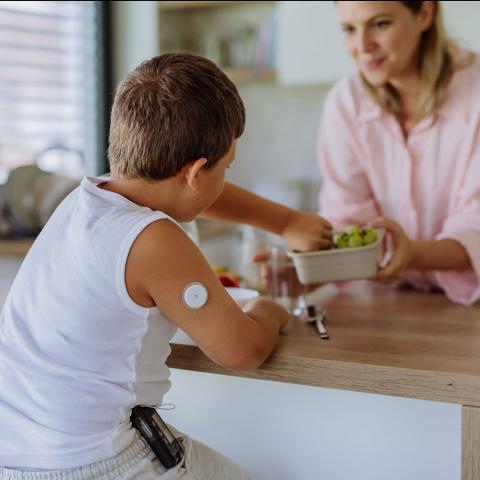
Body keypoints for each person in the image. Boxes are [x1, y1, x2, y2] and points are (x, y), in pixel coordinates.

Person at [0, 54, 332, 479]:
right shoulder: (153, 238)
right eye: (226, 167)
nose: (224, 179)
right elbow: (242, 351)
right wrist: (270, 310)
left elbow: (193, 192)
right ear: (195, 172)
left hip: (20, 458)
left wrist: (285, 222)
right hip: (98, 464)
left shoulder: (88, 199)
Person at [318, 0, 480, 305]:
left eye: (380, 24)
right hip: (390, 304)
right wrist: (304, 271)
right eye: (349, 29)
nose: (362, 46)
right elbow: (346, 216)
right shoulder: (345, 102)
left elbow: (477, 226)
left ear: (425, 14)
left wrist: (411, 253)